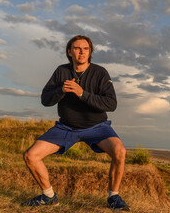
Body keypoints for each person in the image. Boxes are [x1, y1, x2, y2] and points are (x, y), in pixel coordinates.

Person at [22, 35, 130, 211]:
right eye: (77, 48)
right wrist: (61, 90)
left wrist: (82, 93)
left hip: (97, 127)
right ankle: (48, 196)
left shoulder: (100, 72)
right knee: (30, 156)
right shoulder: (61, 71)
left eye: (85, 49)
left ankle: (113, 197)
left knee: (120, 151)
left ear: (90, 52)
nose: (81, 52)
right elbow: (45, 100)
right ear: (69, 52)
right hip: (66, 127)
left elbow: (111, 104)